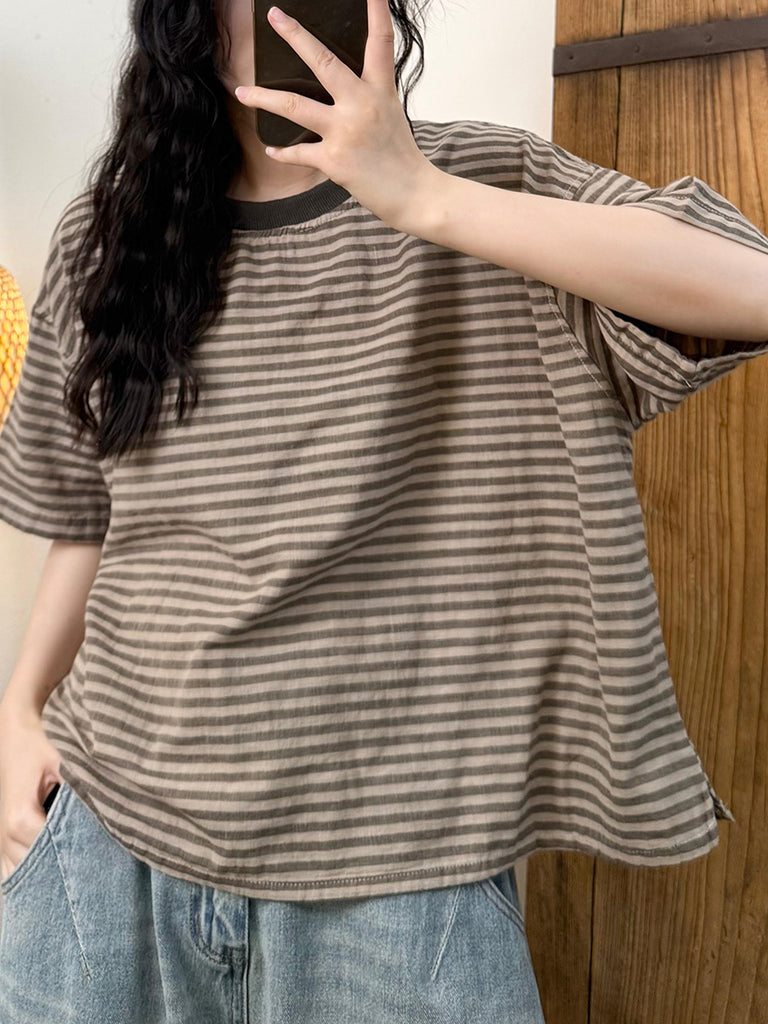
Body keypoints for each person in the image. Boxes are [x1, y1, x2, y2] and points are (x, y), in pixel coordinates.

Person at [1, 0, 767, 1020]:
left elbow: (752, 289)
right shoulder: (109, 238)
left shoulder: (489, 184)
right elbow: (92, 512)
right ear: (185, 22)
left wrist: (422, 197)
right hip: (110, 833)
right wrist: (17, 709)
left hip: (400, 869)